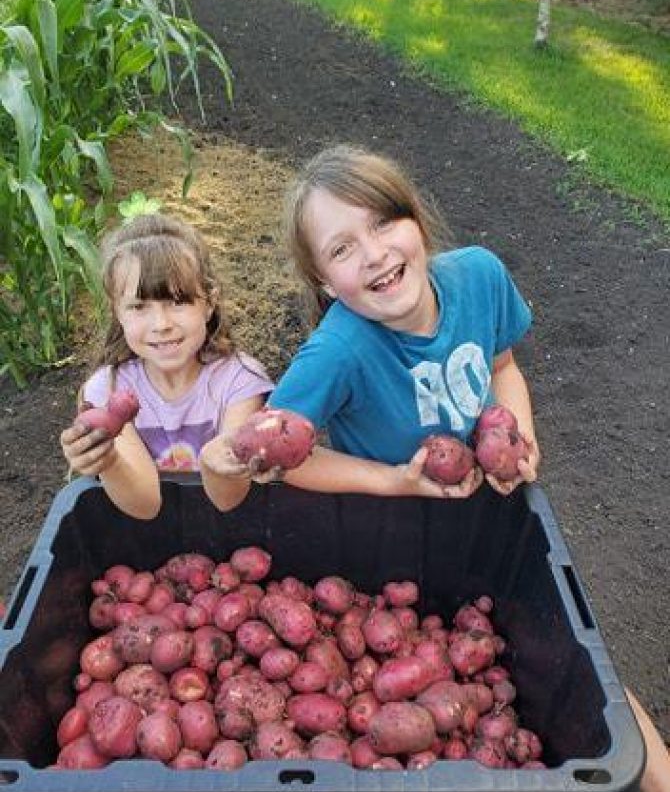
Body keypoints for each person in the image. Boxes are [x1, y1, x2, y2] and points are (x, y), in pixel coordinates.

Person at [200, 143, 540, 508]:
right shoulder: (337, 351)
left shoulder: (479, 277)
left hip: (483, 501)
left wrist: (517, 446)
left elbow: (502, 366)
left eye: (383, 223)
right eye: (341, 249)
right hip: (387, 522)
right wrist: (394, 481)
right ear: (324, 281)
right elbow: (288, 461)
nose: (375, 255)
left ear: (417, 222)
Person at [61, 213, 273, 519]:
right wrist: (106, 461)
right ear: (117, 313)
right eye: (138, 307)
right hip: (146, 539)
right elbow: (145, 505)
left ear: (209, 302)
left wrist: (218, 462)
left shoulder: (240, 382)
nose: (161, 324)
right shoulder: (106, 391)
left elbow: (229, 500)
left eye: (178, 301)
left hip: (235, 528)